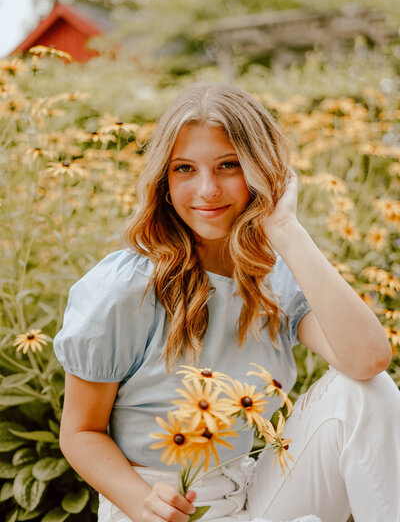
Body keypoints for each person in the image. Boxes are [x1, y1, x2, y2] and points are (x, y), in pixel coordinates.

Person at [53, 83, 400, 522]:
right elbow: (80, 432)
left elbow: (368, 360)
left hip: (253, 492)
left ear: (261, 172)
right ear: (164, 180)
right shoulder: (125, 288)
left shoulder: (274, 274)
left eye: (228, 166)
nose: (207, 189)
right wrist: (142, 501)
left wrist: (287, 229)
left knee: (363, 392)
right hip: (157, 504)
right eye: (184, 169)